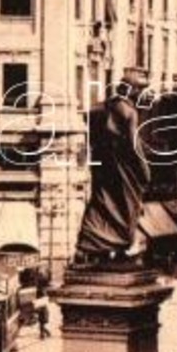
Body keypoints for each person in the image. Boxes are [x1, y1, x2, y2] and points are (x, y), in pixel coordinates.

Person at [73, 72, 152, 263]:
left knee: (101, 199)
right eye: (141, 90)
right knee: (126, 203)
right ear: (132, 90)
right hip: (122, 166)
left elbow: (91, 133)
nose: (143, 95)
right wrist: (144, 169)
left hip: (103, 163)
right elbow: (134, 145)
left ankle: (92, 242)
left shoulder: (103, 107)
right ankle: (118, 243)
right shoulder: (129, 112)